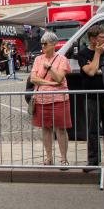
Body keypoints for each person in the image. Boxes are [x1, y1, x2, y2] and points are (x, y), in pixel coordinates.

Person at [77, 24, 104, 172]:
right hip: (92, 96)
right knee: (93, 130)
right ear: (93, 39)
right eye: (103, 37)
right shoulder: (83, 53)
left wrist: (100, 68)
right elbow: (90, 72)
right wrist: (97, 55)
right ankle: (93, 161)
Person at [30, 32, 72, 167]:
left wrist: (49, 67)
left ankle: (64, 158)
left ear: (53, 44)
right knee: (45, 129)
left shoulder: (62, 59)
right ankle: (49, 157)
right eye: (42, 43)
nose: (43, 46)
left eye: (45, 44)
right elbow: (33, 79)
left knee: (61, 129)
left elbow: (59, 78)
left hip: (59, 99)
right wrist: (51, 83)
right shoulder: (38, 59)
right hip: (42, 99)